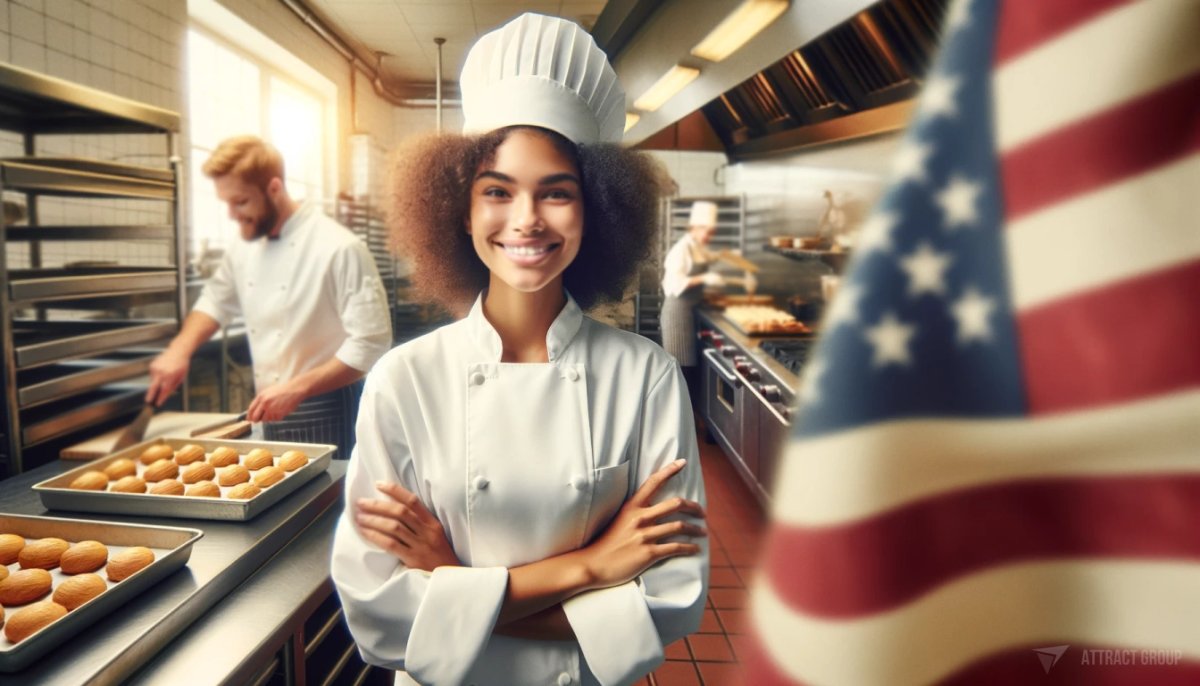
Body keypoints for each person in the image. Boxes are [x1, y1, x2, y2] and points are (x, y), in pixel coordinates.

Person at [331, 13, 709, 686]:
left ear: (596, 211)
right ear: (461, 211)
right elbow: (376, 613)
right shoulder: (404, 380)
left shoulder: (644, 377)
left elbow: (672, 599)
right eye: (497, 192)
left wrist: (450, 583)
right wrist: (590, 570)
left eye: (556, 193)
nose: (527, 219)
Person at [146, 136, 392, 456]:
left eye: (241, 202)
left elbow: (371, 343)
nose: (233, 215)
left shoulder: (339, 247)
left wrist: (297, 388)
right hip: (272, 407)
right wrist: (180, 349)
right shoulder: (245, 246)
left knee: (330, 503)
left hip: (329, 409)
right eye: (227, 204)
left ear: (274, 188)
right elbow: (216, 299)